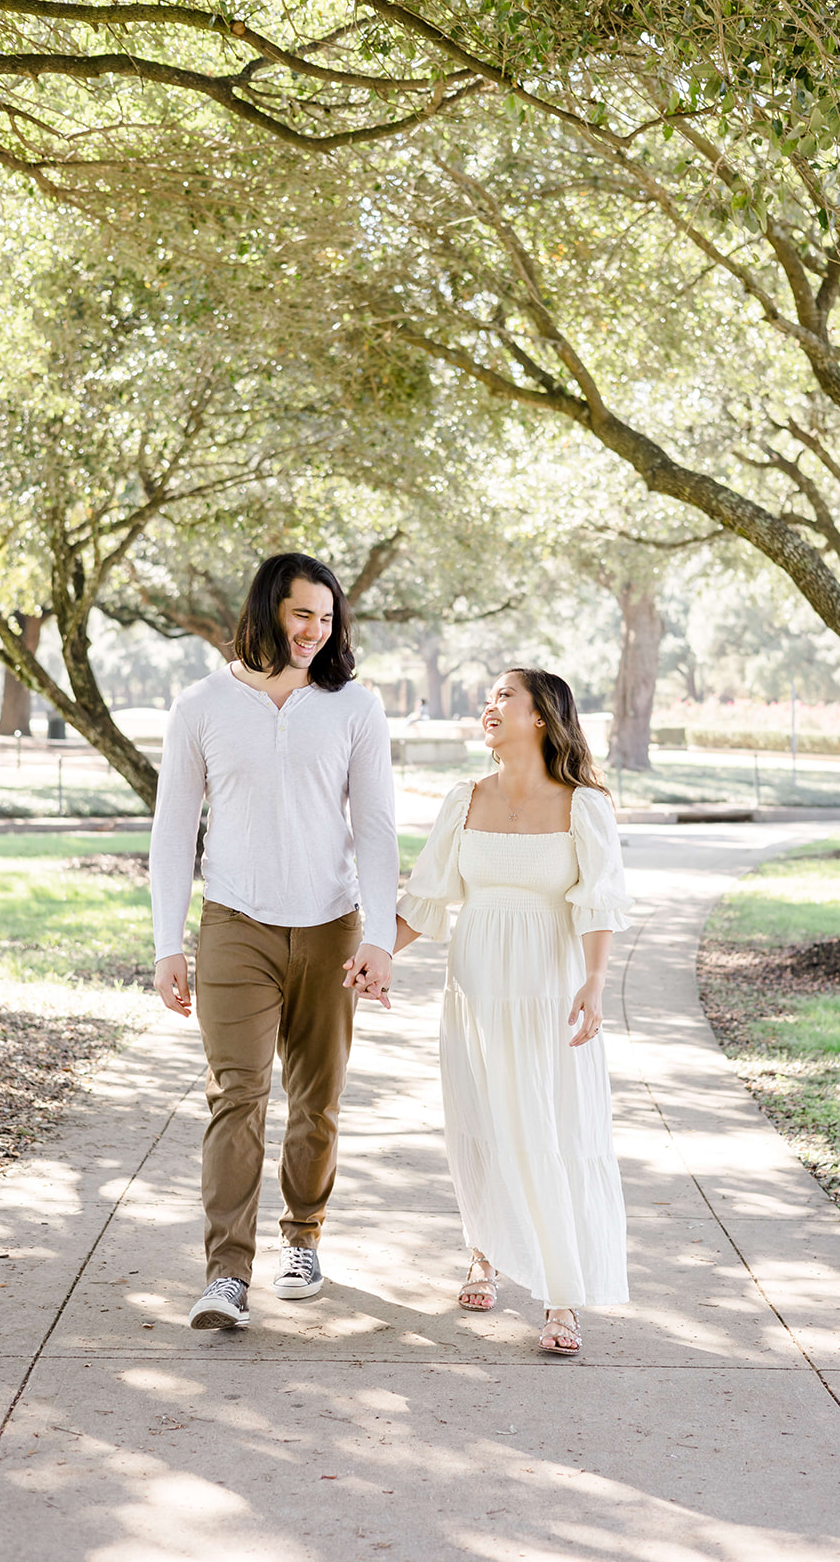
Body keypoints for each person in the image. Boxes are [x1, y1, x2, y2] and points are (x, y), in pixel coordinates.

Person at [150, 553, 398, 1330]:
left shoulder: (353, 706)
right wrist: (167, 944)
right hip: (235, 925)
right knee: (237, 1095)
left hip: (331, 927)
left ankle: (304, 1237)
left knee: (317, 1101)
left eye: (326, 620)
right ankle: (226, 1273)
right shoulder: (201, 704)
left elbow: (378, 830)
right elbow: (171, 831)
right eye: (302, 616)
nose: (314, 633)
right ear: (266, 610)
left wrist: (381, 937)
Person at [393, 668, 631, 1354]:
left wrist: (592, 982)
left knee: (550, 1128)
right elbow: (426, 900)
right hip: (475, 986)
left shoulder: (582, 805)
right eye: (488, 697)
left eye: (505, 696)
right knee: (480, 1119)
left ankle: (562, 1295)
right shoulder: (462, 799)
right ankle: (484, 1252)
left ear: (540, 717)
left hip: (548, 989)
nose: (489, 705)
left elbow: (598, 902)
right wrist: (376, 955)